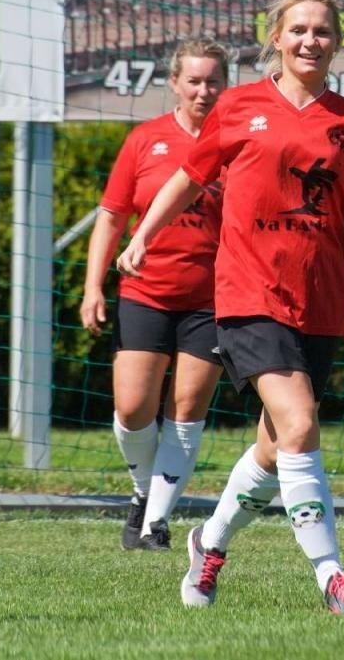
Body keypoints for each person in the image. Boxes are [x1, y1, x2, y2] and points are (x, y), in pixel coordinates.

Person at [116, 0, 344, 617]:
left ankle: (208, 544)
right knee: (301, 424)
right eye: (297, 28)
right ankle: (333, 580)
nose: (310, 40)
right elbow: (190, 180)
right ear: (276, 37)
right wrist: (143, 237)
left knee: (276, 447)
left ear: (337, 42)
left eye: (322, 30)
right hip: (247, 296)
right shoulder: (240, 106)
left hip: (322, 300)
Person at [82, 37, 232, 551]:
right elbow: (111, 216)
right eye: (194, 80)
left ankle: (155, 526)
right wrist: (92, 286)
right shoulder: (146, 140)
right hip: (145, 292)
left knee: (187, 407)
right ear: (174, 83)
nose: (204, 90)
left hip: (212, 299)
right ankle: (143, 493)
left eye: (214, 80)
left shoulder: (237, 144)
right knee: (132, 409)